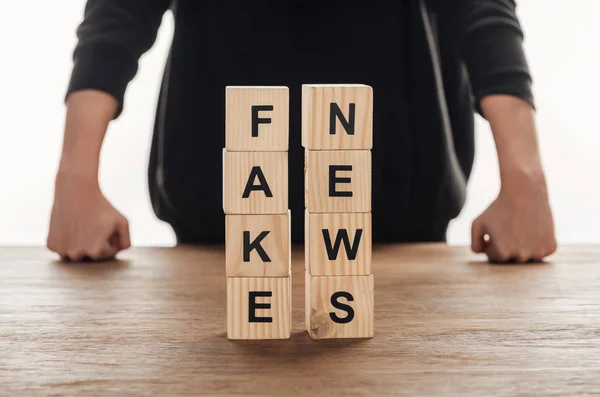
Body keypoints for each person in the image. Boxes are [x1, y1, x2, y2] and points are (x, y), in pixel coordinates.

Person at [47, 0, 557, 263]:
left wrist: (524, 179)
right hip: (215, 231)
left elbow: (481, 13)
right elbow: (118, 18)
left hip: (400, 228)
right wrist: (75, 179)